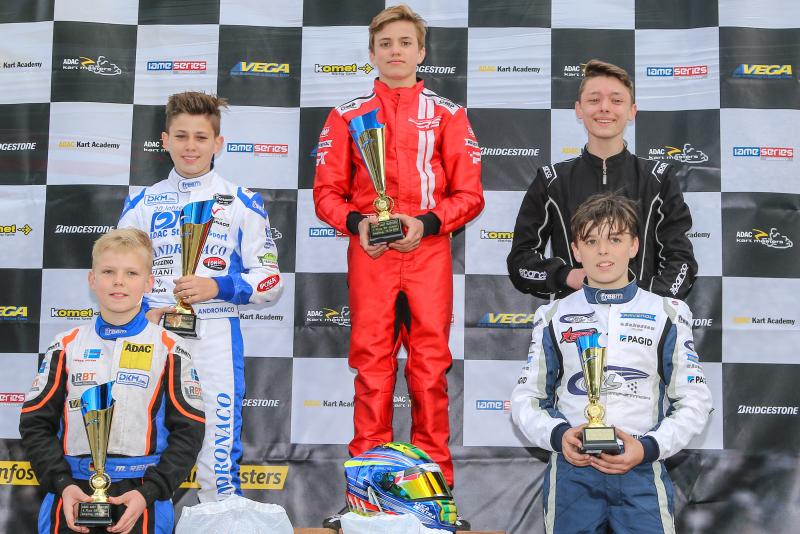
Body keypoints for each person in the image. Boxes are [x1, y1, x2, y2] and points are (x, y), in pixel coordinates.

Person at [313, 4, 483, 529]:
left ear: (421, 52)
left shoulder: (449, 114)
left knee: (429, 373)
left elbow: (470, 195)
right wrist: (358, 222)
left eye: (405, 42)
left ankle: (436, 497)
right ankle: (366, 496)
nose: (395, 51)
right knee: (372, 371)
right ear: (371, 53)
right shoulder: (346, 115)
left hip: (428, 254)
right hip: (371, 255)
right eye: (385, 43)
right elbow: (326, 193)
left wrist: (427, 223)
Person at [511, 193, 712, 533]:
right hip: (573, 472)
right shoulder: (553, 315)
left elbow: (695, 400)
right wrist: (559, 436)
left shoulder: (666, 313)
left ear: (634, 245)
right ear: (576, 250)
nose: (603, 251)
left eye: (615, 239)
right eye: (591, 241)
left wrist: (648, 448)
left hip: (641, 470)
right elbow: (526, 399)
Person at [118, 91, 283, 502]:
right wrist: (141, 312)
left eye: (201, 137)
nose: (190, 146)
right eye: (181, 136)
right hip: (152, 333)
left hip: (215, 333)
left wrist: (218, 286)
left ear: (218, 143)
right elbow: (118, 272)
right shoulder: (141, 203)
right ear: (165, 140)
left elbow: (271, 282)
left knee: (217, 452)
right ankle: (142, 520)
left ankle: (220, 518)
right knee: (141, 436)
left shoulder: (242, 201)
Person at [20, 228, 205, 534]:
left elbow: (189, 432)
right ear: (92, 279)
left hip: (142, 497)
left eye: (131, 273)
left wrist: (151, 491)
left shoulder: (171, 348)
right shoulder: (65, 345)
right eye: (108, 271)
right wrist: (62, 482)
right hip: (71, 495)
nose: (119, 281)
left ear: (148, 283)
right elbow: (35, 424)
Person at [507, 59, 697, 300]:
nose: (605, 108)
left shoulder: (659, 178)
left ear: (632, 111)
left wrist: (646, 301)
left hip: (643, 319)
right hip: (573, 317)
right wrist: (567, 276)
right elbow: (521, 261)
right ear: (579, 109)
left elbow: (681, 261)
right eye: (594, 100)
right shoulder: (551, 180)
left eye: (616, 101)